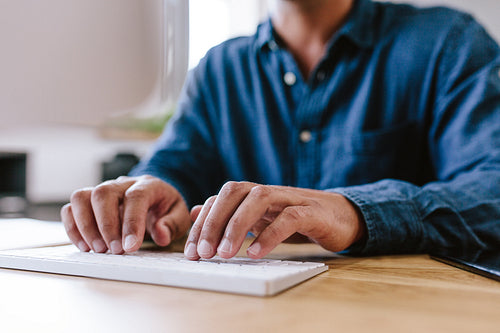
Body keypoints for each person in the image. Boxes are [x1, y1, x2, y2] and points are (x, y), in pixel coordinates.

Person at [61, 0, 500, 261]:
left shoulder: (448, 44)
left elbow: (493, 189)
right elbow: (174, 167)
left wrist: (353, 211)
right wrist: (148, 197)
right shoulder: (220, 69)